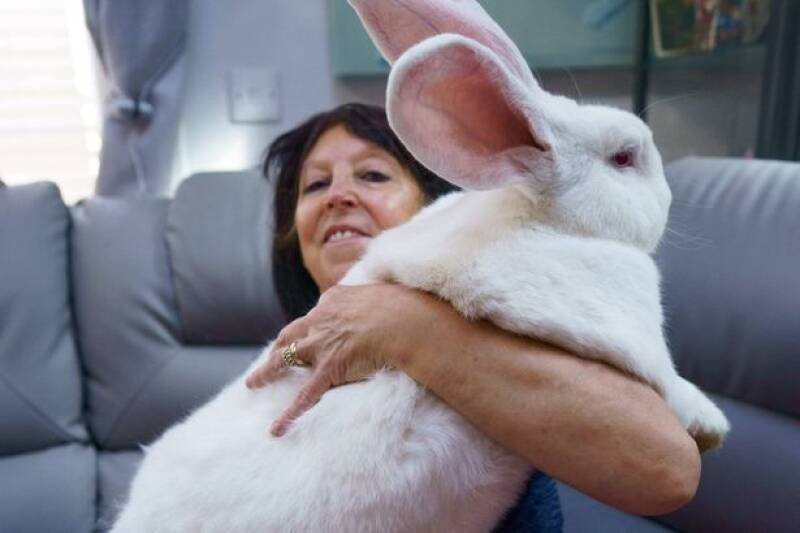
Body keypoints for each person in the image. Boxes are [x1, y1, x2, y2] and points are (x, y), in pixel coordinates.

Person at [245, 103, 701, 526]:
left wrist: (399, 322)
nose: (338, 196)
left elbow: (666, 470)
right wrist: (295, 360)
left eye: (372, 175)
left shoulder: (520, 322)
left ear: (438, 202)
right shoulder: (273, 367)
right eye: (316, 185)